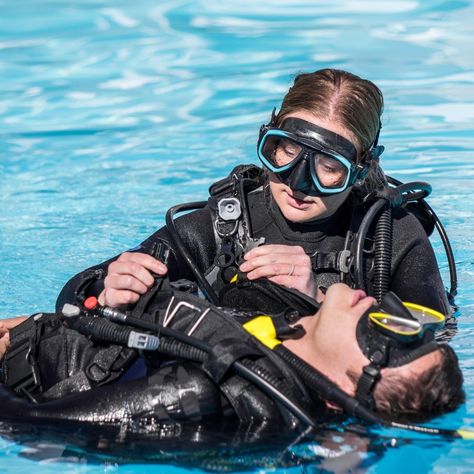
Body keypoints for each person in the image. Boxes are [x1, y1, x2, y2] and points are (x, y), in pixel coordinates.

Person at [56, 68, 451, 317]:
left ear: (362, 169)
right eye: (286, 153)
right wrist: (108, 291)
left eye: (330, 169)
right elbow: (76, 293)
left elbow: (435, 351)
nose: (297, 183)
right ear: (268, 141)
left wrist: (320, 300)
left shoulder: (390, 238)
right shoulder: (222, 226)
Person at [0, 282, 464, 432]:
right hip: (38, 332)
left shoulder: (202, 395)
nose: (391, 316)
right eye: (415, 330)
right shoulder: (286, 324)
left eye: (394, 343)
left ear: (344, 391)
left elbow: (31, 421)